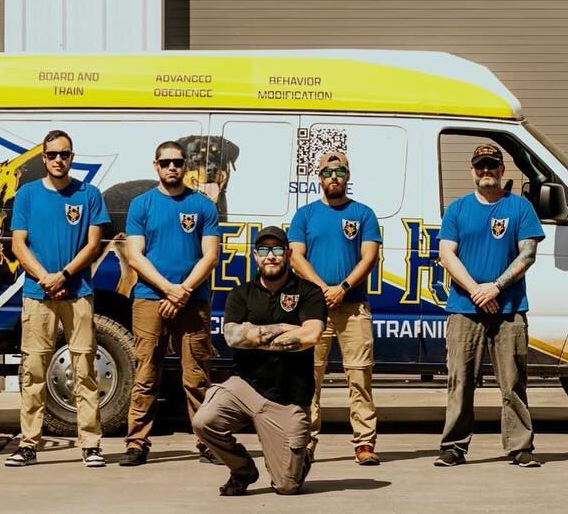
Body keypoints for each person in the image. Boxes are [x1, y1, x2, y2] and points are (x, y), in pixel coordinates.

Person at [192, 226, 327, 496]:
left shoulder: (309, 291)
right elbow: (232, 337)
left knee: (286, 486)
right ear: (255, 256)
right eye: (263, 250)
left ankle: (300, 461)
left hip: (288, 399)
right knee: (203, 421)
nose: (270, 256)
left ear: (288, 253)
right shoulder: (241, 293)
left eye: (277, 249)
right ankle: (242, 469)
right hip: (246, 387)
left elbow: (311, 334)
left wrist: (254, 334)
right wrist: (286, 329)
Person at [434, 143, 546, 468]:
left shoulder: (520, 208)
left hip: (509, 308)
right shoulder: (457, 209)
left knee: (513, 382)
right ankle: (453, 447)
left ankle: (520, 447)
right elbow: (446, 254)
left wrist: (496, 287)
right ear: (472, 170)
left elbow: (528, 254)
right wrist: (476, 291)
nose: (486, 170)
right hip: (463, 308)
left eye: (492, 165)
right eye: (480, 165)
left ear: (502, 169)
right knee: (460, 381)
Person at [5, 129, 110, 469]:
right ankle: (28, 444)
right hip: (38, 295)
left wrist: (63, 276)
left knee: (85, 370)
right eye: (52, 155)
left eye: (64, 154)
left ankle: (91, 444)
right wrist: (46, 279)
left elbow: (93, 245)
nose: (58, 160)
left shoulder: (89, 194)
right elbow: (18, 244)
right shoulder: (27, 194)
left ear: (72, 157)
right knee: (33, 371)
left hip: (78, 293)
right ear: (44, 158)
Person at [118, 139, 221, 466]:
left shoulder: (203, 205)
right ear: (156, 166)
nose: (172, 167)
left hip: (193, 300)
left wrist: (184, 291)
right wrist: (168, 289)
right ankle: (136, 443)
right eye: (166, 163)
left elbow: (210, 256)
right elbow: (135, 255)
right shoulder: (141, 205)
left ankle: (208, 443)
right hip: (150, 299)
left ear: (185, 166)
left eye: (177, 162)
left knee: (197, 377)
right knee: (146, 374)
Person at [288, 149, 382, 465]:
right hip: (313, 309)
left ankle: (364, 443)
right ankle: (306, 442)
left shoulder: (363, 214)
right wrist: (321, 289)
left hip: (353, 307)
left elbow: (369, 257)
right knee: (308, 379)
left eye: (339, 172)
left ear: (347, 176)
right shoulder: (304, 215)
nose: (333, 177)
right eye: (327, 173)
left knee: (359, 376)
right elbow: (296, 256)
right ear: (319, 177)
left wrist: (342, 288)